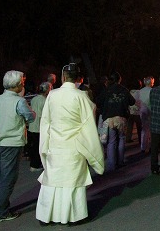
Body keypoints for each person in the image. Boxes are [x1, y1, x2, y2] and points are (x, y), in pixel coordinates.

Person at [36, 63, 104, 225]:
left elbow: (45, 122)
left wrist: (44, 147)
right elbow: (88, 128)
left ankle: (47, 215)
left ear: (63, 76)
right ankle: (74, 216)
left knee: (52, 182)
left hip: (55, 145)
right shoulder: (82, 97)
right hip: (74, 146)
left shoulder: (52, 95)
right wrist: (96, 159)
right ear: (78, 78)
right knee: (73, 183)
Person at [0, 70, 36, 223]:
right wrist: (32, 114)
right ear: (17, 85)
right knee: (8, 178)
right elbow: (30, 116)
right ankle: (1, 213)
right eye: (22, 83)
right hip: (11, 142)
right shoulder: (19, 101)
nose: (23, 85)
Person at [97, 72, 135, 171]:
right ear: (119, 80)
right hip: (121, 118)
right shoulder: (124, 90)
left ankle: (111, 164)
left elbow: (98, 102)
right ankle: (120, 161)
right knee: (121, 138)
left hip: (109, 118)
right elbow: (132, 101)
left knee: (111, 141)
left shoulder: (106, 90)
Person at [28, 81, 51, 172]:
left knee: (34, 147)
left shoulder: (34, 99)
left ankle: (34, 164)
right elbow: (45, 116)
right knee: (40, 147)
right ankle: (36, 165)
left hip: (32, 126)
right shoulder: (45, 101)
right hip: (40, 128)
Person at [139, 76, 154, 153]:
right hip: (151, 111)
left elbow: (137, 101)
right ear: (151, 82)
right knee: (151, 130)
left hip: (143, 111)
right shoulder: (153, 91)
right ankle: (151, 146)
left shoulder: (140, 91)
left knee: (144, 130)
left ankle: (143, 147)